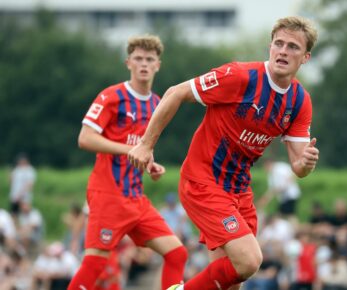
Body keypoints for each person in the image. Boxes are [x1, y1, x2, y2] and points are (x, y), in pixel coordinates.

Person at [128, 16, 319, 290]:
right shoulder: (240, 76)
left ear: (305, 57)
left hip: (239, 191)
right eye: (279, 43)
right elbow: (175, 92)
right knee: (249, 261)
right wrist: (146, 144)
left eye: (293, 47)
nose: (283, 51)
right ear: (270, 47)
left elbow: (299, 166)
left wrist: (307, 163)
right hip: (203, 181)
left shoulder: (300, 101)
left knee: (231, 282)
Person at [67, 35, 188, 290]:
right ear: (128, 63)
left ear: (158, 65)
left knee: (177, 254)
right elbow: (85, 138)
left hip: (136, 198)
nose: (144, 64)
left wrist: (151, 164)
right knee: (94, 265)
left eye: (149, 59)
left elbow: (144, 148)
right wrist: (130, 149)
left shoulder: (157, 103)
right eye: (138, 58)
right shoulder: (112, 96)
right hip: (108, 194)